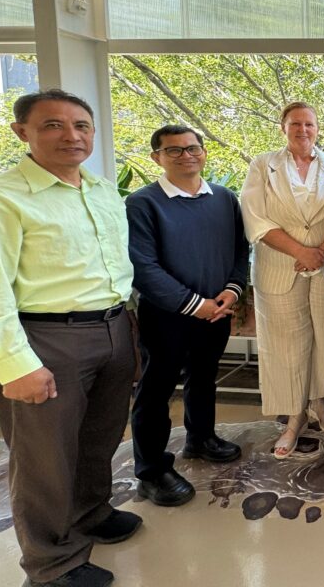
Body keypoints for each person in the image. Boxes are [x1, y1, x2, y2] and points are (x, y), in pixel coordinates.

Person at [0, 89, 138, 587]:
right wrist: (15, 364)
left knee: (99, 435)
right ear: (22, 132)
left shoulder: (100, 190)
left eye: (81, 125)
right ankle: (51, 565)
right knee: (44, 458)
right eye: (53, 125)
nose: (71, 135)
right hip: (47, 338)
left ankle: (90, 513)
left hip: (113, 327)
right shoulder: (7, 197)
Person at [126, 125, 249, 506]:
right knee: (156, 389)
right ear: (156, 157)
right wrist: (195, 304)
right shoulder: (142, 204)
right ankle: (151, 470)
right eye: (174, 150)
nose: (186, 155)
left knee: (204, 377)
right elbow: (142, 266)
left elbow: (238, 252)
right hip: (167, 314)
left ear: (204, 152)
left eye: (192, 148)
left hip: (218, 310)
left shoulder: (225, 199)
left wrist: (231, 291)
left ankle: (201, 438)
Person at [240, 102, 324, 459]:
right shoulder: (263, 165)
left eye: (309, 124)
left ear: (318, 128)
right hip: (280, 266)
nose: (302, 130)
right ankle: (293, 419)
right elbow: (255, 218)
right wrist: (299, 251)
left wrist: (320, 249)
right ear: (282, 128)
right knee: (286, 345)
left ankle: (319, 405)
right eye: (295, 124)